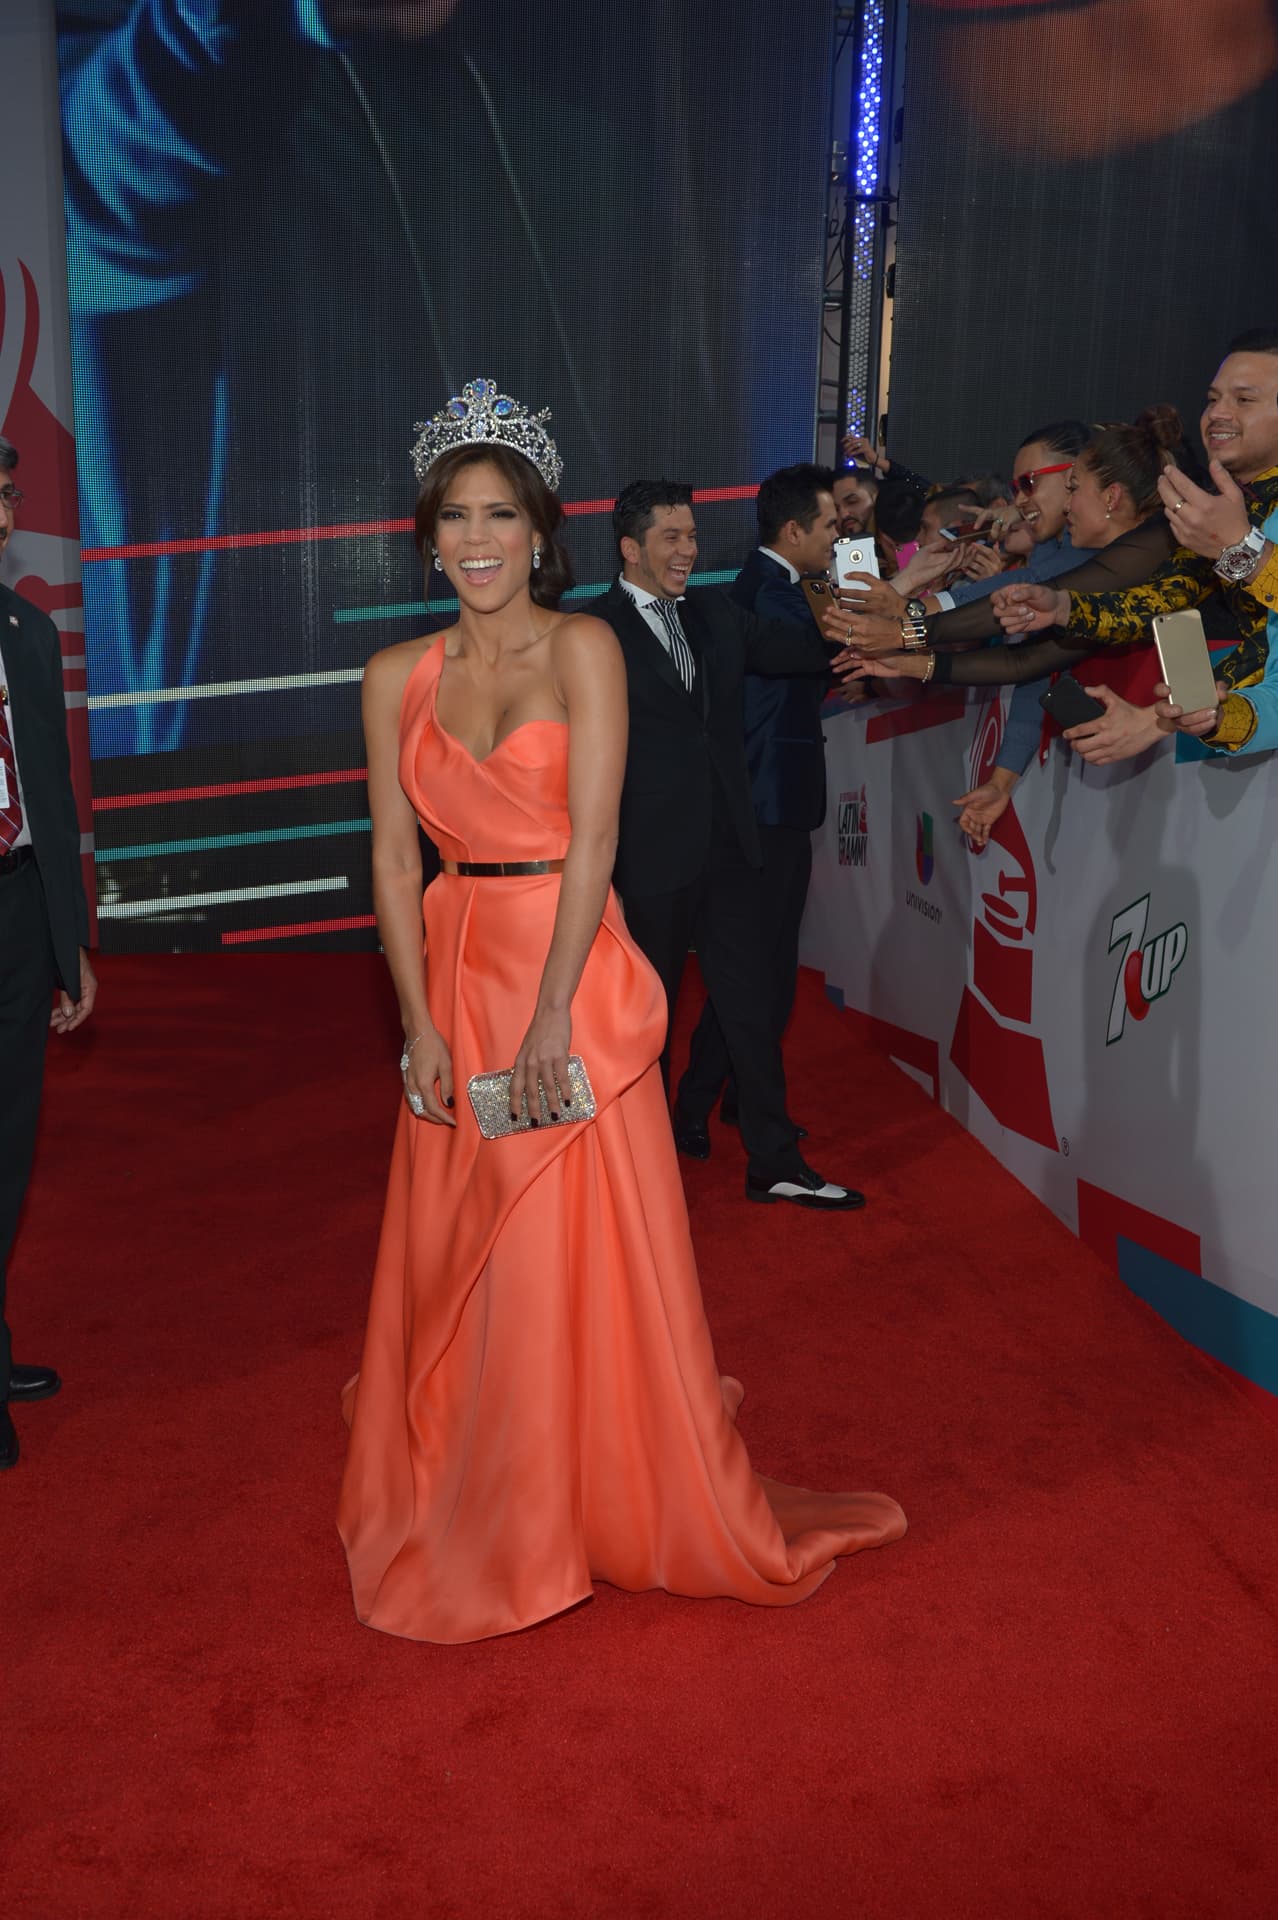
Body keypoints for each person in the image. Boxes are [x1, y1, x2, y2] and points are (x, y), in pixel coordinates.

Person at [336, 385, 905, 1643]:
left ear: (542, 533)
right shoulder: (392, 676)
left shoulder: (584, 648)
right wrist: (417, 1024)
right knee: (468, 1240)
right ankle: (487, 1457)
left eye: (501, 515)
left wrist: (550, 1017)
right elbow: (391, 860)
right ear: (427, 535)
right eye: (453, 517)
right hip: (455, 967)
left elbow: (595, 839)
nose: (476, 539)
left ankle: (571, 1482)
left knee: (562, 1233)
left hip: (566, 970)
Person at [590, 482, 865, 1211]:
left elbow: (815, 649)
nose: (689, 550)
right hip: (647, 857)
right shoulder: (591, 631)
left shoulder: (718, 612)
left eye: (692, 535)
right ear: (630, 547)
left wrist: (893, 594)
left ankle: (773, 1160)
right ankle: (636, 1161)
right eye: (672, 537)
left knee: (751, 1005)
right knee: (647, 1015)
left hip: (731, 850)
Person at [860, 408, 1191, 828]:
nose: (1024, 500)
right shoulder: (1112, 558)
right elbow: (1033, 662)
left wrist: (907, 620)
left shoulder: (1159, 554)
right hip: (1144, 799)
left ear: (1110, 497)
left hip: (1186, 790)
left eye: (1069, 487)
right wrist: (909, 648)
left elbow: (1037, 603)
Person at [678, 465, 837, 1148]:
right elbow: (818, 649)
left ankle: (735, 1098)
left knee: (765, 966)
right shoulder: (770, 593)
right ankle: (693, 1105)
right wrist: (910, 590)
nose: (839, 538)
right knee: (758, 970)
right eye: (831, 525)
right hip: (765, 804)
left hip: (777, 800)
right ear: (794, 529)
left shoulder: (781, 586)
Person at [0, 437, 97, 1472]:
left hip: (20, 911)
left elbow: (55, 802)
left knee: (9, 1147)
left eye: (5, 496)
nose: (1, 514)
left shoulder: (25, 626)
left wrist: (69, 939)